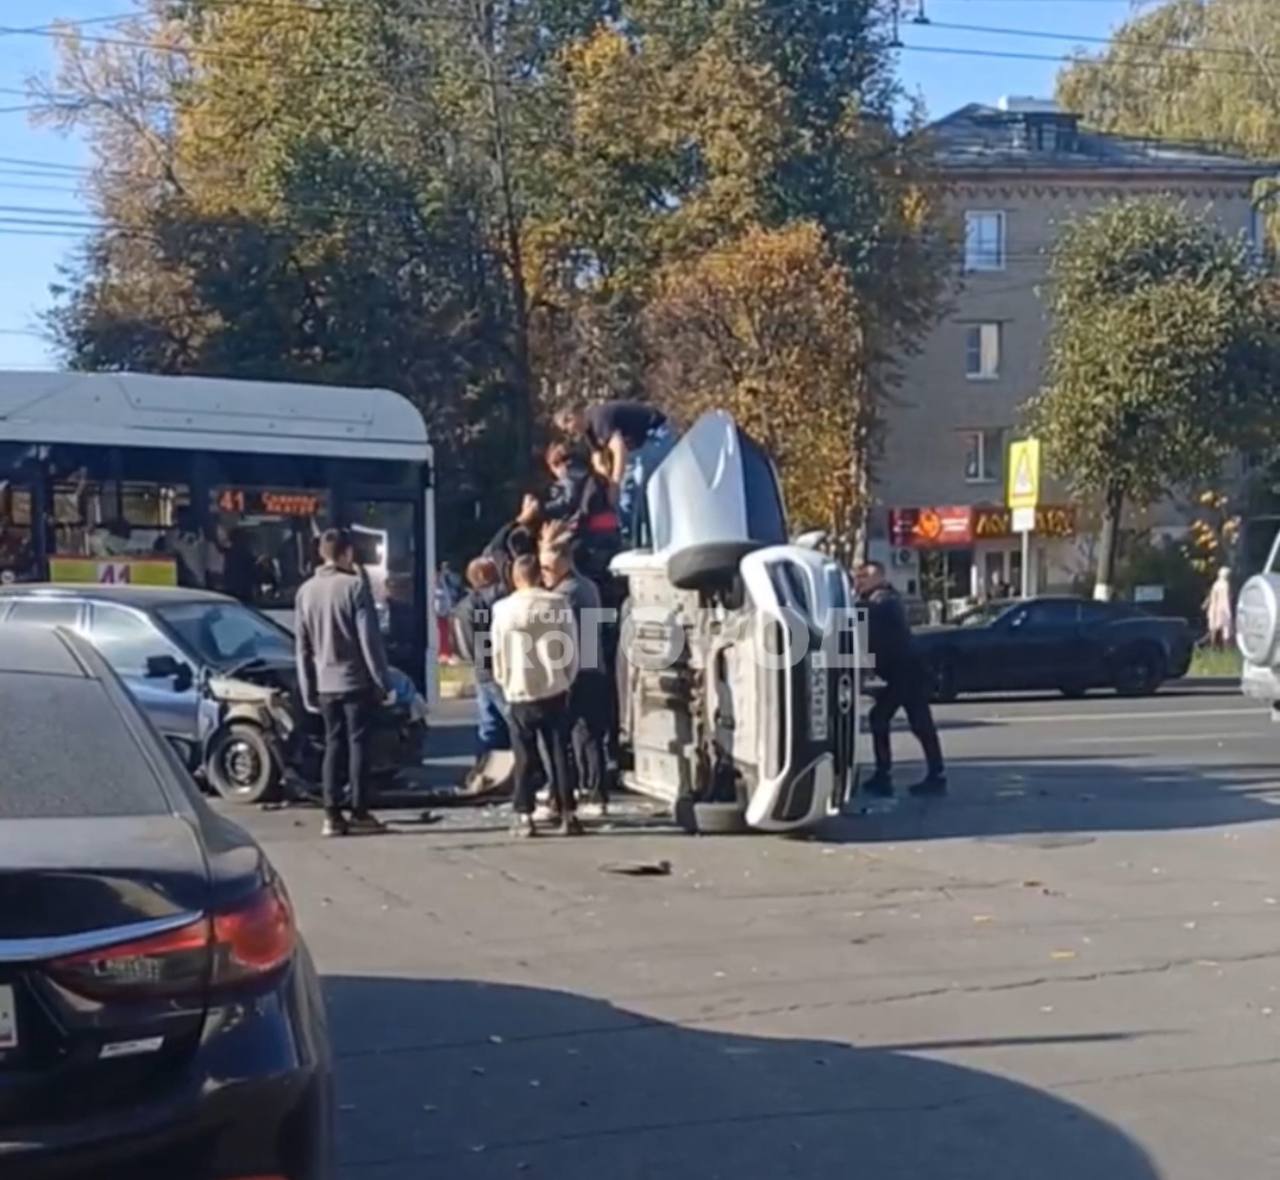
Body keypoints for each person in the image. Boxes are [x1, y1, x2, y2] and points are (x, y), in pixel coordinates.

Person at [295, 527, 394, 837]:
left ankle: (331, 814)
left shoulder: (305, 591)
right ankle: (360, 810)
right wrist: (383, 680)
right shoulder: (353, 587)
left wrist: (307, 688)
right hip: (354, 682)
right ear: (347, 553)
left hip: (324, 685)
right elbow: (369, 639)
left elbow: (302, 647)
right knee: (358, 744)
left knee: (332, 745)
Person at [490, 553, 581, 837]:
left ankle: (525, 816)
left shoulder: (502, 610)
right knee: (559, 753)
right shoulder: (558, 604)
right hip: (554, 687)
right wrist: (567, 678)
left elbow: (497, 652)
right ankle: (567, 813)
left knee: (524, 757)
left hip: (520, 688)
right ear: (539, 577)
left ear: (516, 578)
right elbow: (571, 646)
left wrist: (505, 682)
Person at [856, 560, 947, 798]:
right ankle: (933, 774)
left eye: (865, 576)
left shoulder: (885, 600)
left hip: (907, 672)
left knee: (893, 719)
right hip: (904, 672)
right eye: (858, 576)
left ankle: (886, 776)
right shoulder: (878, 600)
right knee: (917, 722)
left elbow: (867, 615)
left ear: (880, 578)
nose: (859, 580)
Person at [541, 536, 611, 815]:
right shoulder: (588, 586)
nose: (544, 573)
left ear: (564, 563)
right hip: (593, 665)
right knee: (590, 735)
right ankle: (595, 792)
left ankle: (567, 792)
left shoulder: (565, 594)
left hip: (574, 670)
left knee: (563, 736)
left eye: (547, 567)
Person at [554, 400, 675, 541]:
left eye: (567, 427)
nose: (569, 432)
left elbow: (619, 449)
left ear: (572, 417)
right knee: (626, 496)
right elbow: (597, 457)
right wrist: (605, 480)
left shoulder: (599, 418)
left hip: (655, 435)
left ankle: (650, 536)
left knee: (640, 485)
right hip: (636, 446)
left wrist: (615, 484)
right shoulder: (589, 432)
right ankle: (630, 536)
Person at [452, 556, 510, 780]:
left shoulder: (467, 605)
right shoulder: (502, 597)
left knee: (488, 726)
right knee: (512, 722)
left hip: (482, 670)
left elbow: (467, 645)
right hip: (501, 670)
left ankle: (484, 772)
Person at [1204, 566, 1233, 649]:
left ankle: (1213, 647)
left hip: (1214, 609)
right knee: (1225, 629)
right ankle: (1226, 648)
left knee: (1213, 628)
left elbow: (1211, 596)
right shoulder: (1226, 585)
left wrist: (1206, 604)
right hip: (1224, 609)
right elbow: (1227, 598)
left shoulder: (1216, 584)